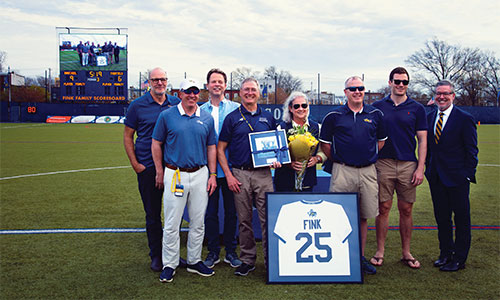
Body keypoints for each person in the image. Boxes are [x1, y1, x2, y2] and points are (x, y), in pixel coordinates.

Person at [319, 76, 386, 275]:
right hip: (342, 170)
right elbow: (326, 145)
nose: (357, 91)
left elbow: (380, 142)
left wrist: (366, 156)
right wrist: (342, 159)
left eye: (361, 88)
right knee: (338, 215)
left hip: (367, 171)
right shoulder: (333, 115)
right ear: (345, 92)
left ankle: (359, 257)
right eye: (353, 88)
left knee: (364, 216)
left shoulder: (375, 114)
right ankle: (338, 256)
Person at [152, 78, 218, 283]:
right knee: (172, 222)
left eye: (195, 91)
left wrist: (213, 175)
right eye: (187, 91)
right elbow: (156, 144)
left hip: (200, 173)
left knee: (198, 221)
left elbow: (211, 147)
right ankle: (169, 264)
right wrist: (159, 171)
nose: (192, 95)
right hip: (175, 173)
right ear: (179, 93)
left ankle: (194, 260)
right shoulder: (167, 116)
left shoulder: (206, 118)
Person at [218, 78, 282, 276]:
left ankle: (271, 261)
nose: (249, 93)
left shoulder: (268, 117)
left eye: (253, 90)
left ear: (259, 93)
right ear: (240, 92)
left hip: (263, 174)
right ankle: (247, 259)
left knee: (267, 218)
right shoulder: (232, 118)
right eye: (246, 90)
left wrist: (277, 159)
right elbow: (220, 149)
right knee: (244, 220)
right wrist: (228, 175)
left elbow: (277, 146)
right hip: (240, 173)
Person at [123, 67, 181, 272]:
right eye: (155, 79)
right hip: (148, 168)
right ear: (149, 82)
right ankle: (156, 255)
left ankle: (172, 254)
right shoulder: (137, 106)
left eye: (163, 79)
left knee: (175, 214)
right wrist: (136, 164)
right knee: (153, 213)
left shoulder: (175, 103)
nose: (160, 83)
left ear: (167, 81)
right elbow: (128, 136)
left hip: (174, 168)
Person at [370, 67, 427, 269]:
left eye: (404, 82)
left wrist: (420, 168)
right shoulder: (377, 106)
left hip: (408, 164)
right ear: (390, 82)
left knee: (406, 209)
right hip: (383, 163)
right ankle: (380, 251)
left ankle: (406, 252)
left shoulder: (417, 108)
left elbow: (422, 139)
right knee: (383, 208)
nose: (401, 85)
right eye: (397, 81)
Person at [425, 80, 478, 272]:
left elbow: (472, 150)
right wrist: (427, 168)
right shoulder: (430, 117)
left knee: (462, 219)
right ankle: (445, 253)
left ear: (453, 96)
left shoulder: (464, 119)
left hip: (457, 178)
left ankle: (459, 258)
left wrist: (467, 175)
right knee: (442, 218)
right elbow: (430, 148)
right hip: (436, 177)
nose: (442, 97)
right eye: (439, 93)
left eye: (446, 93)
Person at [200, 69, 242, 269]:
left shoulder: (236, 108)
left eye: (220, 81)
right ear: (207, 85)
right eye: (213, 81)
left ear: (225, 86)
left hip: (231, 170)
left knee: (232, 212)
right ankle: (213, 251)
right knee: (210, 212)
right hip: (208, 171)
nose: (217, 84)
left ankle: (231, 251)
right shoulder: (199, 110)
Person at [274, 91, 326, 192]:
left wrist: (317, 159)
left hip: (307, 182)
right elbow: (276, 154)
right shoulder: (281, 128)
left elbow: (324, 150)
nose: (301, 109)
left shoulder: (317, 128)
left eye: (304, 105)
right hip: (284, 183)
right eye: (296, 106)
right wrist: (289, 164)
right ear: (290, 108)